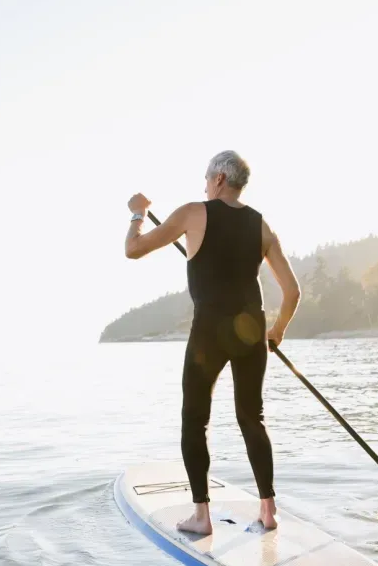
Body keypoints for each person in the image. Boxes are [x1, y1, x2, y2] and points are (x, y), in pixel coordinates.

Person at [124, 150, 301, 533]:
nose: (204, 186)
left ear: (219, 179)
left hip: (209, 333)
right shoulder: (262, 226)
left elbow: (133, 250)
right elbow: (292, 292)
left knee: (195, 419)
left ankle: (202, 516)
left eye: (206, 179)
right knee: (252, 418)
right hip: (252, 330)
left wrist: (138, 213)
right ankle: (269, 510)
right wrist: (278, 330)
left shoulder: (193, 213)